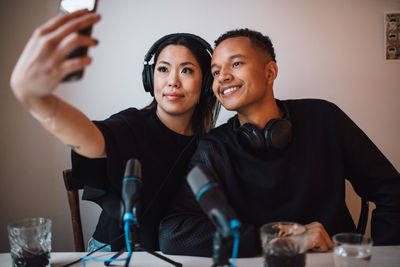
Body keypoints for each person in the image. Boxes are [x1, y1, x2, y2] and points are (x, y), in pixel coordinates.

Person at [159, 28, 400, 257]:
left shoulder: (324, 118)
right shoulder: (214, 147)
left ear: (270, 72)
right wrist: (275, 241)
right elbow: (173, 232)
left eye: (236, 63)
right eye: (215, 72)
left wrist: (380, 255)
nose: (223, 77)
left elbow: (390, 189)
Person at [10, 9, 220, 252]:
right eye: (163, 69)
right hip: (115, 251)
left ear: (206, 84)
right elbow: (91, 139)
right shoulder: (131, 124)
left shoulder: (209, 143)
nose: (172, 80)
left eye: (186, 70)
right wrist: (40, 101)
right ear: (149, 78)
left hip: (176, 252)